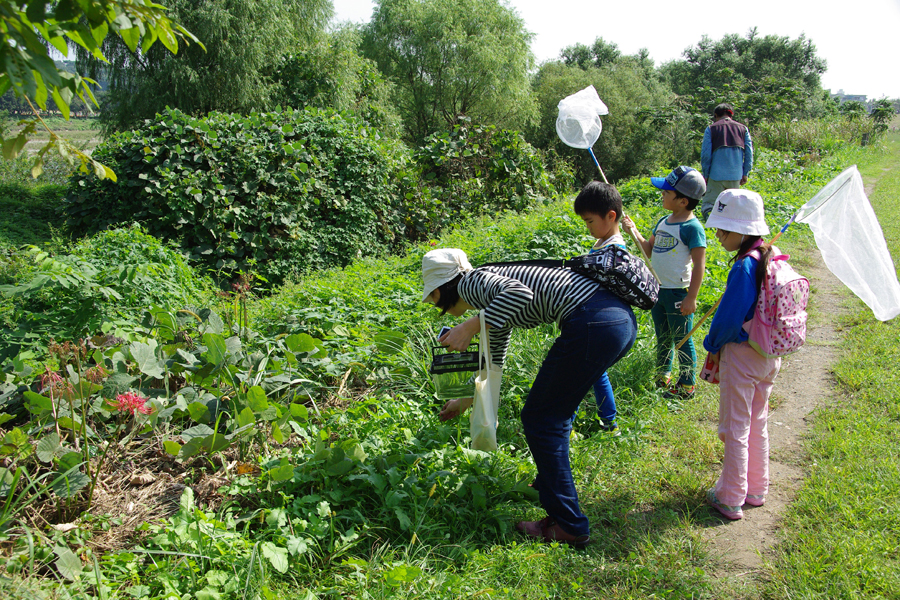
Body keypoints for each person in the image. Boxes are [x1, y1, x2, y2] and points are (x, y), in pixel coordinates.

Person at [421, 195, 637, 547]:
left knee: (541, 418)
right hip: (614, 324)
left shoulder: (472, 282)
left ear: (445, 287)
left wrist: (472, 325)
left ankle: (569, 524)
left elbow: (519, 293)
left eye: (434, 297)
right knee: (549, 415)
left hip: (593, 323)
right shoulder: (488, 298)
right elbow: (496, 357)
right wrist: (464, 398)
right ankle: (552, 484)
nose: (441, 309)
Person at [702, 189, 779, 520]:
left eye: (725, 230)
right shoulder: (771, 254)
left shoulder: (744, 268)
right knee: (757, 421)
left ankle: (730, 496)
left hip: (742, 354)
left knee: (734, 426)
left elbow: (729, 318)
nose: (719, 235)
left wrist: (713, 345)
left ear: (744, 230)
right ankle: (756, 489)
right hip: (769, 354)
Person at [623, 166, 707, 400]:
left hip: (678, 293)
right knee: (663, 336)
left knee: (682, 340)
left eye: (666, 192)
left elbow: (700, 264)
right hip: (658, 291)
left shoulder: (692, 228)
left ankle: (687, 384)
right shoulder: (663, 221)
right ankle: (663, 375)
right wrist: (634, 232)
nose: (662, 194)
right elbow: (648, 250)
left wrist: (691, 297)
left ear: (682, 200)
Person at [573, 181, 627, 433]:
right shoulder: (604, 243)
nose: (588, 227)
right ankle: (609, 421)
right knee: (595, 373)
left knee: (574, 375)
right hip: (597, 321)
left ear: (611, 216)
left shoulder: (614, 249)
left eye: (590, 221)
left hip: (599, 321)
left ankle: (565, 422)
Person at [700, 103, 754, 220]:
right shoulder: (743, 129)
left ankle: (710, 226)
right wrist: (745, 173)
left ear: (716, 115)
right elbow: (749, 153)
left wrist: (706, 175)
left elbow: (706, 155)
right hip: (735, 175)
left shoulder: (711, 129)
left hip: (715, 175)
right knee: (732, 206)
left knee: (710, 204)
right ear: (731, 115)